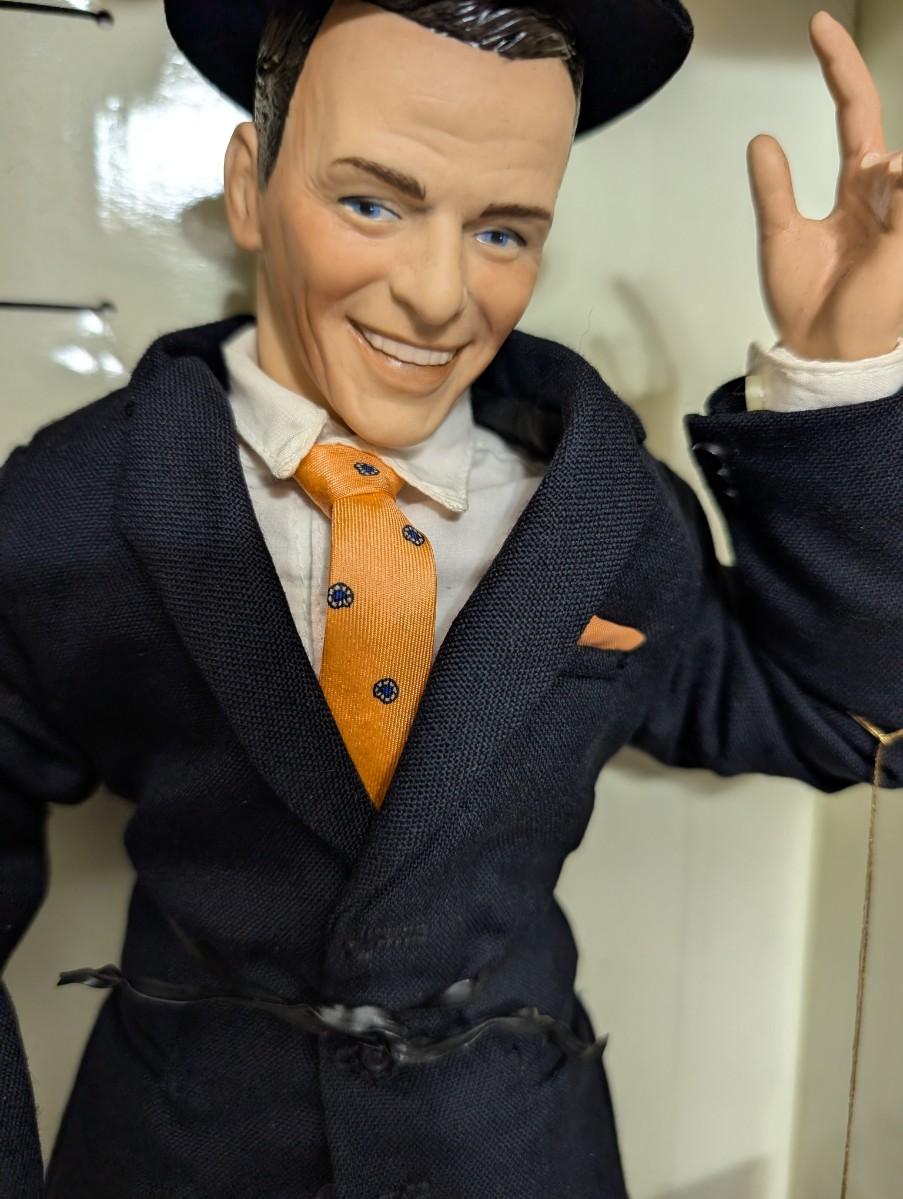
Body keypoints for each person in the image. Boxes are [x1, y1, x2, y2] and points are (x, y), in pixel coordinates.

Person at [1, 1, 901, 1196]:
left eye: (503, 230)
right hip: (183, 1146)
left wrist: (844, 383)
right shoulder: (74, 509)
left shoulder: (605, 511)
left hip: (513, 1147)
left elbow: (848, 721)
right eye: (372, 204)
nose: (437, 296)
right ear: (250, 186)